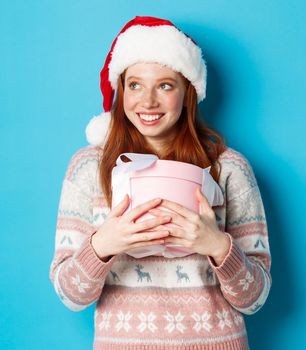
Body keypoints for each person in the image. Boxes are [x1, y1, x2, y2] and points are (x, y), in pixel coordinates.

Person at [49, 16, 271, 350]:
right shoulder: (88, 169)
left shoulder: (228, 169)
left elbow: (254, 300)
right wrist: (102, 245)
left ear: (188, 92)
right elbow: (70, 296)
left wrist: (217, 246)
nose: (148, 101)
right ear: (121, 90)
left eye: (165, 85)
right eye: (135, 85)